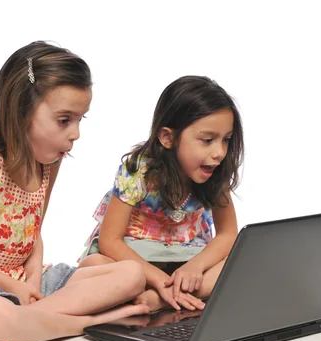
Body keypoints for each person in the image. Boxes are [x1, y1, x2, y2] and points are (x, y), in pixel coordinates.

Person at [0, 41, 149, 341]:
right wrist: (11, 287)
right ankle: (88, 323)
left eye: (81, 119)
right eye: (64, 120)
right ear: (21, 108)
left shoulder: (49, 162)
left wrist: (34, 281)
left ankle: (30, 322)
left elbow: (32, 231)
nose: (76, 133)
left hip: (21, 281)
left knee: (131, 274)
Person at [78, 75, 244, 312]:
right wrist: (156, 278)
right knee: (94, 264)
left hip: (187, 257)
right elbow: (110, 241)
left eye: (226, 140)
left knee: (241, 266)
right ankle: (164, 293)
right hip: (136, 260)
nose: (219, 152)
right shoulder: (137, 171)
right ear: (168, 137)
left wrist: (195, 267)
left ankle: (157, 299)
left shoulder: (215, 173)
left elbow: (228, 234)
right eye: (207, 140)